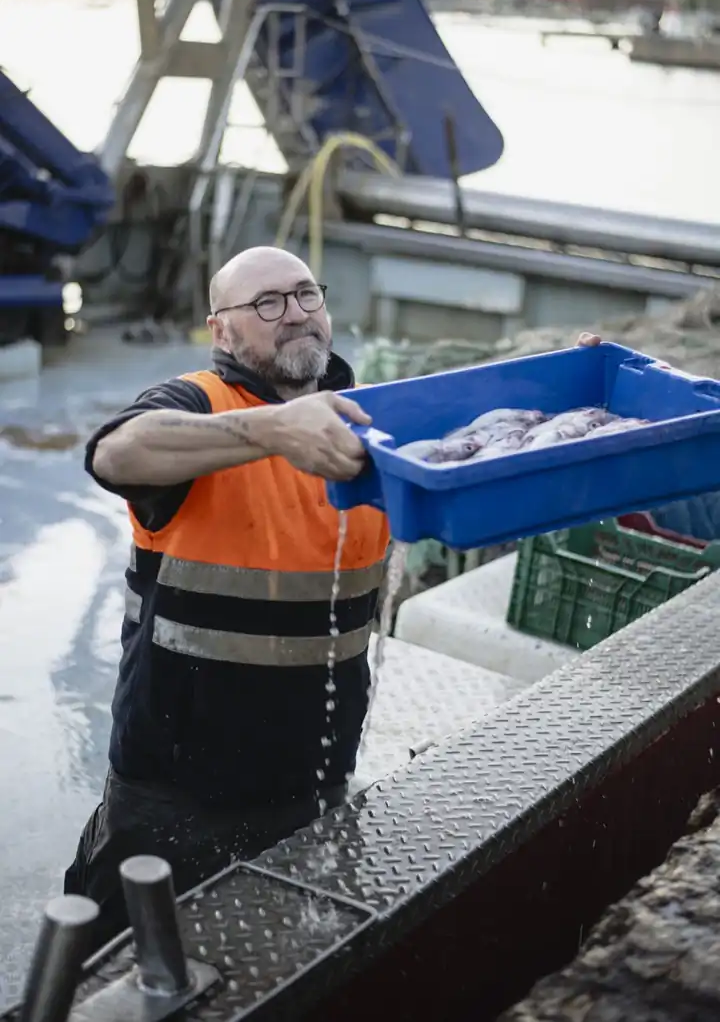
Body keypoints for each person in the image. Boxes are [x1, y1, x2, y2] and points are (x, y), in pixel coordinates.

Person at [65, 243, 601, 948]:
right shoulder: (201, 406)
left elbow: (494, 448)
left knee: (274, 968)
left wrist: (568, 386)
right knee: (111, 969)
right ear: (221, 331)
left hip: (311, 787)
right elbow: (116, 452)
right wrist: (270, 430)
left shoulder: (380, 424)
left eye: (304, 294)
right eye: (265, 304)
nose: (293, 314)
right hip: (173, 792)